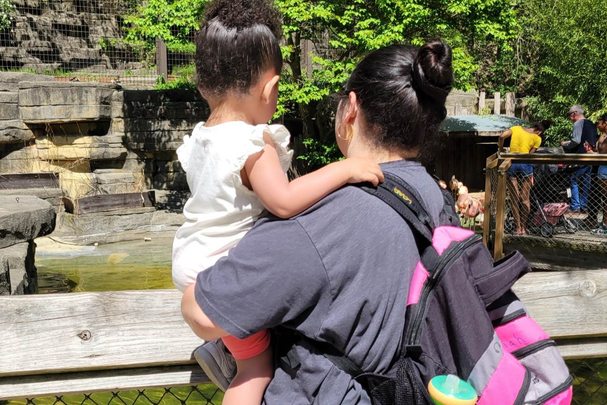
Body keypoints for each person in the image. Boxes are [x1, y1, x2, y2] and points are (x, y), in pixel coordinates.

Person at [181, 39, 455, 404]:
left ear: (351, 110)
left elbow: (204, 313)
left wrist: (189, 296)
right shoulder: (433, 197)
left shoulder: (326, 221)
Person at [171, 1, 383, 404]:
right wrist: (345, 169)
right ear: (270, 88)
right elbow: (284, 201)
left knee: (247, 352)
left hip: (193, 260)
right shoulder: (252, 144)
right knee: (255, 371)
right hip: (222, 271)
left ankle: (226, 343)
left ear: (203, 83)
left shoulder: (202, 138)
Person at [498, 120, 552, 235]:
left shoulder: (516, 128)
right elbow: (530, 154)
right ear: (540, 131)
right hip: (525, 165)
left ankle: (517, 228)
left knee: (514, 198)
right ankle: (523, 227)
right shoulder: (537, 138)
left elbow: (502, 136)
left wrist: (501, 149)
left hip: (511, 163)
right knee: (525, 199)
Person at [561, 105, 598, 213]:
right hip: (590, 157)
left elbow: (576, 141)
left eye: (569, 115)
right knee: (586, 183)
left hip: (579, 158)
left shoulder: (578, 123)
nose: (569, 118)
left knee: (574, 180)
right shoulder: (591, 123)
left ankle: (575, 206)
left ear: (574, 113)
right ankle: (584, 206)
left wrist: (565, 144)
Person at [586, 113, 607, 233]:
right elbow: (600, 152)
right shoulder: (603, 136)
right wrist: (592, 152)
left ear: (605, 123)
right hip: (602, 171)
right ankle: (604, 224)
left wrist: (593, 153)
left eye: (599, 123)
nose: (597, 125)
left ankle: (605, 225)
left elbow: (602, 153)